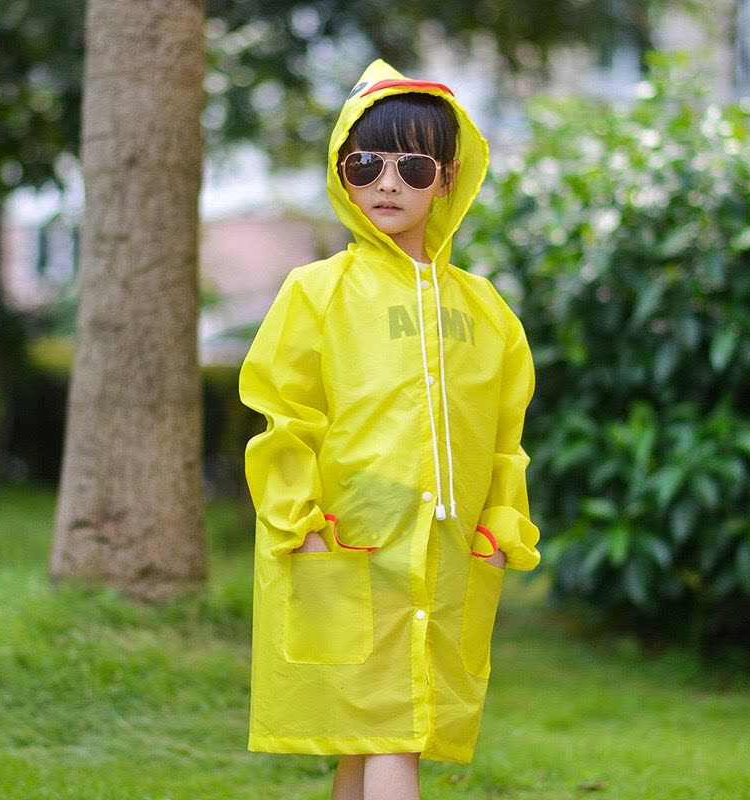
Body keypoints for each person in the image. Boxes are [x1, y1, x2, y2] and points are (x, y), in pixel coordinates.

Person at [238, 58, 541, 800]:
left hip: (446, 557)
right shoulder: (317, 291)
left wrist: (501, 523)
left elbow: (506, 432)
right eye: (365, 163)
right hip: (346, 542)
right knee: (385, 731)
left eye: (411, 164)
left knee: (374, 736)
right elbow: (285, 413)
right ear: (343, 172)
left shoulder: (485, 309)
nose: (387, 183)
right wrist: (298, 521)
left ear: (448, 176)